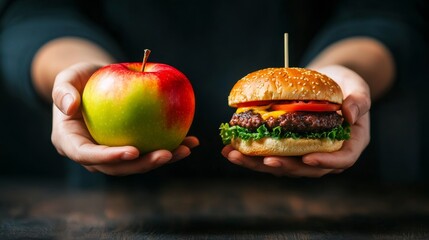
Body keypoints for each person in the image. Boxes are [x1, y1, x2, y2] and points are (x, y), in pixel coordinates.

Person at [0, 0, 427, 179]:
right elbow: (33, 10)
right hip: (113, 211)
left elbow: (387, 9)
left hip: (348, 209)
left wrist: (345, 71)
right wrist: (76, 76)